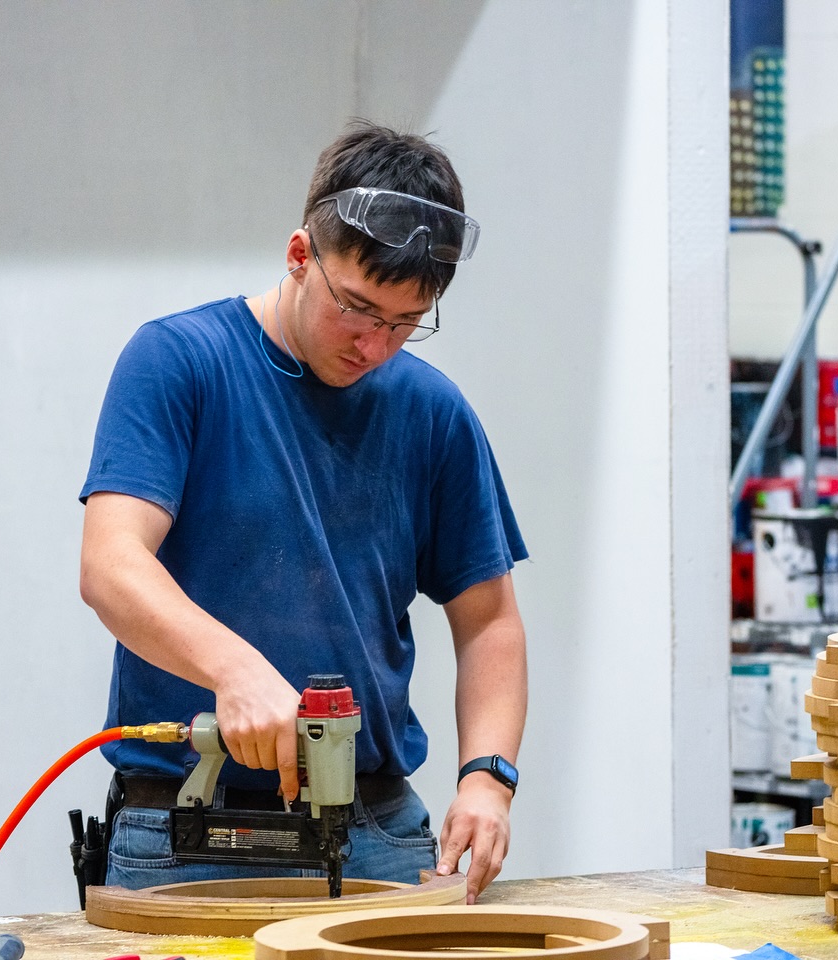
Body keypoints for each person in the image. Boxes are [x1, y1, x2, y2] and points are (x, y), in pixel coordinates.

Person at [78, 120, 528, 903]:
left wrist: (488, 777)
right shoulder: (178, 363)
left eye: (402, 322)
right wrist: (237, 670)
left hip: (377, 833)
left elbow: (489, 621)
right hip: (188, 834)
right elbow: (111, 566)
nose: (373, 345)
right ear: (299, 256)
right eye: (355, 308)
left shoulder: (432, 411)